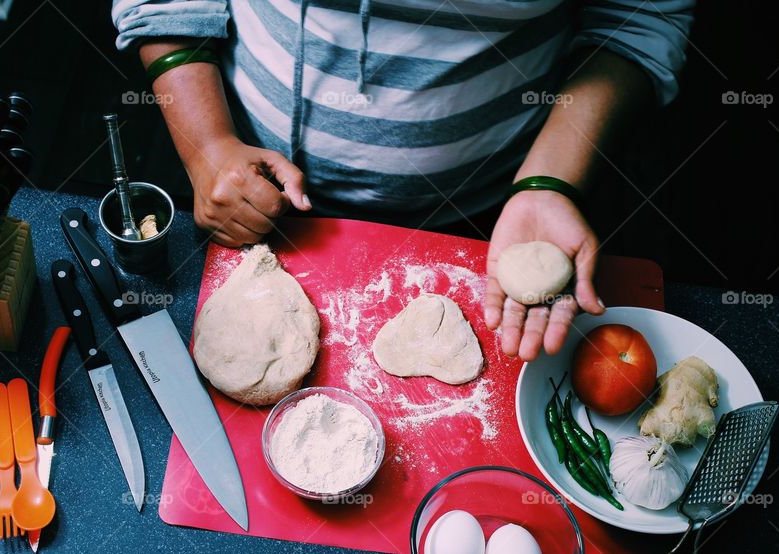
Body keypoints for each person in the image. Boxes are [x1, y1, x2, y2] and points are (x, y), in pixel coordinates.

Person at [111, 0, 694, 360]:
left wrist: (550, 183)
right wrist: (207, 143)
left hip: (493, 209)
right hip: (249, 187)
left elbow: (638, 14)